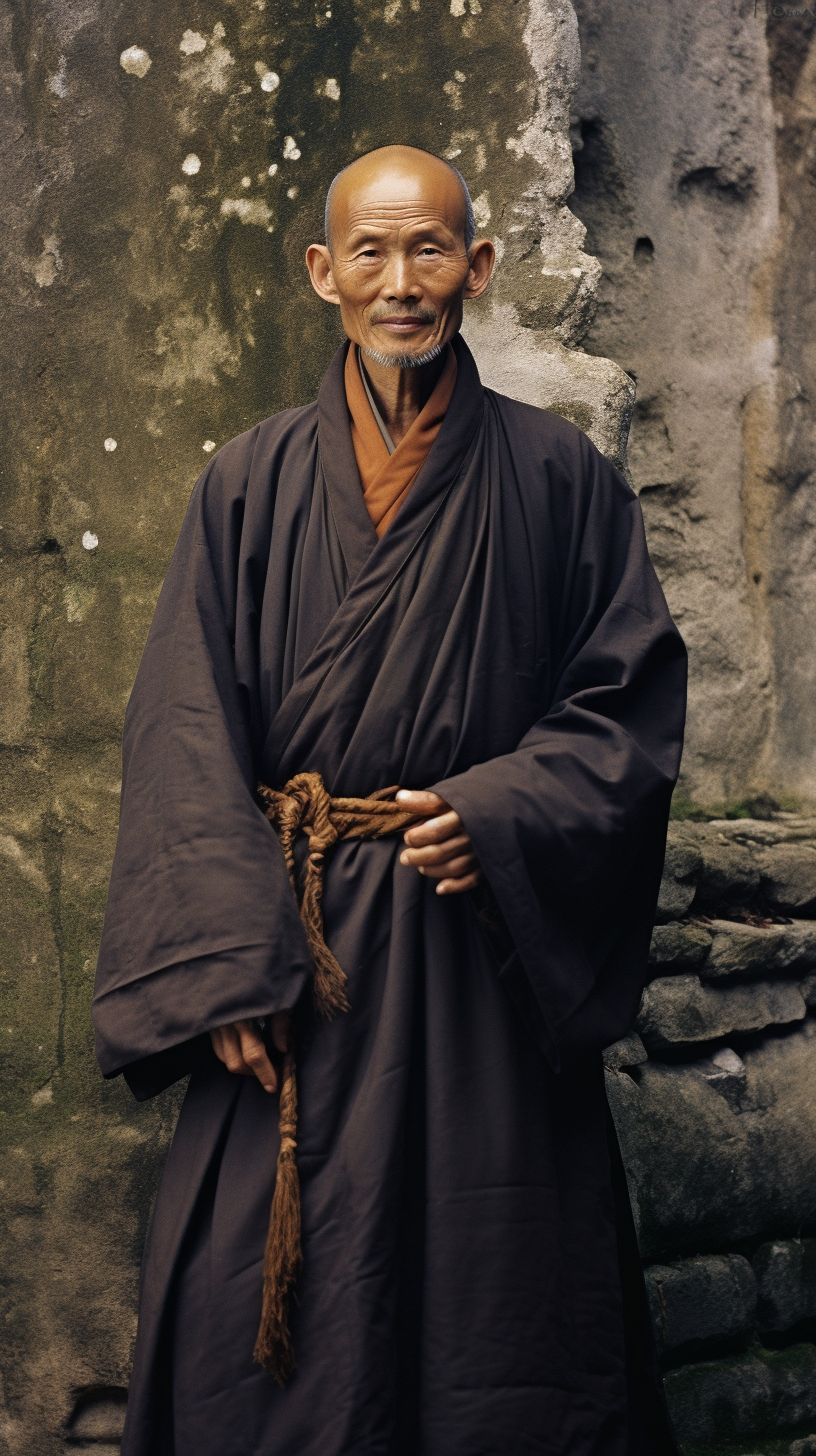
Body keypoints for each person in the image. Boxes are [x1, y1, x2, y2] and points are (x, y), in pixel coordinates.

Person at [93, 144, 686, 1456]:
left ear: (477, 268)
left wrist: (507, 808)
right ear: (325, 273)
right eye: (370, 251)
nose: (400, 280)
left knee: (498, 1307)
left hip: (475, 956)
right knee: (250, 1314)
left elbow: (626, 709)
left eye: (430, 249)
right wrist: (216, 971)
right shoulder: (246, 483)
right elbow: (183, 726)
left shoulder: (559, 481)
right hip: (288, 971)